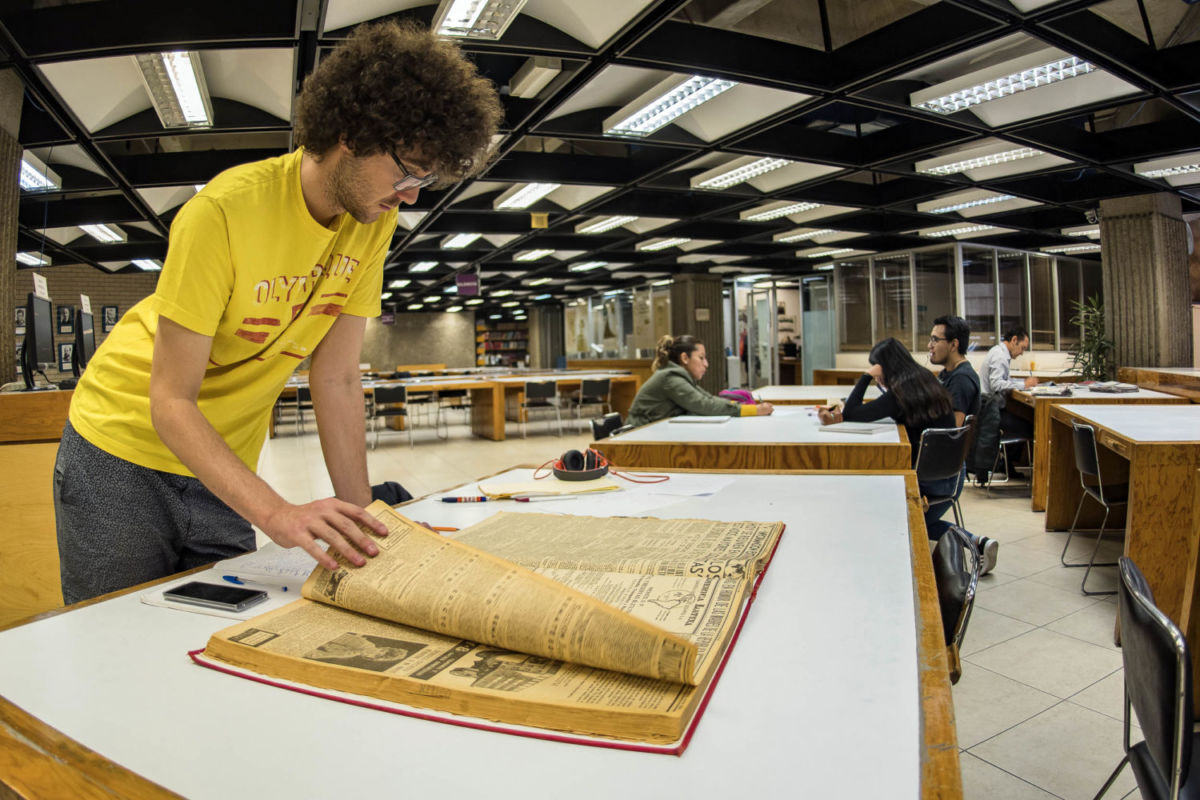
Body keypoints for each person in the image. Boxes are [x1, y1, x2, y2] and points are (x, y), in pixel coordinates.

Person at [53, 21, 504, 604]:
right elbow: (169, 401)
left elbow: (336, 377)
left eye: (427, 178)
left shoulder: (373, 223)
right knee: (114, 636)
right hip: (120, 449)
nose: (413, 193)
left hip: (221, 460)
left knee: (229, 634)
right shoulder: (224, 210)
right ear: (352, 132)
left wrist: (367, 523)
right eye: (409, 169)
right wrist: (278, 513)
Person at [927, 315, 997, 574]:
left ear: (954, 344)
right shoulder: (947, 375)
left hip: (945, 474)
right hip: (939, 469)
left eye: (936, 339)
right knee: (911, 517)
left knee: (906, 516)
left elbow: (950, 433)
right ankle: (978, 543)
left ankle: (975, 543)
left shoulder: (961, 380)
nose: (930, 345)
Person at [818, 338, 955, 469]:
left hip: (928, 474)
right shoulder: (922, 378)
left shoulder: (901, 393)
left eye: (877, 368)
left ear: (886, 367)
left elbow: (850, 413)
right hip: (946, 469)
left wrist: (867, 375)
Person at [626, 335, 774, 428]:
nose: (706, 364)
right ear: (685, 358)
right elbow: (705, 405)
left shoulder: (679, 376)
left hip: (651, 432)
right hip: (635, 437)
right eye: (701, 358)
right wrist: (753, 410)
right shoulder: (670, 378)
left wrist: (739, 406)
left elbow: (707, 398)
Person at [982, 326, 1037, 440]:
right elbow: (997, 385)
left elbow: (1004, 381)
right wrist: (1024, 385)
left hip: (991, 409)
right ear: (1014, 340)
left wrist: (1023, 382)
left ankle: (1010, 456)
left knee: (1025, 422)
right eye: (1022, 348)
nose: (1022, 353)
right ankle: (1011, 457)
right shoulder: (1000, 356)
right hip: (990, 413)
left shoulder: (999, 352)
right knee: (1031, 428)